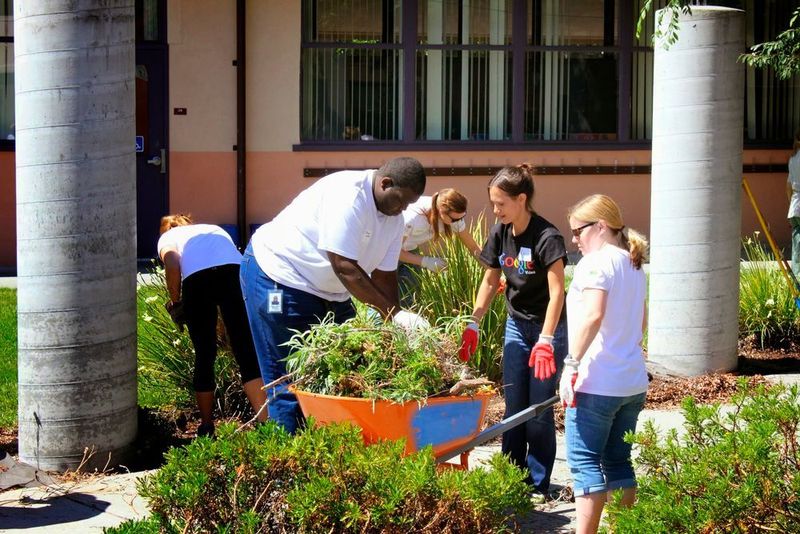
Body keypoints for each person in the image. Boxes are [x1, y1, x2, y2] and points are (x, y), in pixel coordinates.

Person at [241, 156, 427, 433]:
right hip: (279, 277)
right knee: (287, 378)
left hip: (331, 291)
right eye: (401, 200)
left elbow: (385, 275)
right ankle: (288, 466)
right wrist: (396, 314)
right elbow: (344, 266)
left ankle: (334, 459)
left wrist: (395, 326)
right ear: (385, 183)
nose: (404, 209)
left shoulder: (393, 219)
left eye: (411, 203)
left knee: (346, 372)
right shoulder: (348, 195)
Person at [458, 164, 568, 502]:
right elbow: (491, 279)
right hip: (516, 325)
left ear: (521, 199)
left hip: (547, 329)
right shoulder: (500, 232)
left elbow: (558, 292)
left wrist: (547, 340)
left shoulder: (547, 237)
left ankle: (538, 483)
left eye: (501, 203)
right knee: (514, 405)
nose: (496, 210)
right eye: (492, 203)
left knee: (538, 407)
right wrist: (474, 320)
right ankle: (511, 475)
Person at [561, 194, 649, 534]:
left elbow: (593, 315)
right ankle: (623, 530)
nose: (574, 239)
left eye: (578, 231)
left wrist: (571, 364)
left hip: (596, 383)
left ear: (600, 227)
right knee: (618, 462)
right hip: (631, 383)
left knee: (584, 465)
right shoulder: (633, 263)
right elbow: (641, 322)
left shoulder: (595, 263)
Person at [158, 214, 268, 437]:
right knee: (246, 351)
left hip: (198, 283)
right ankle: (266, 423)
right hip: (234, 274)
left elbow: (171, 262)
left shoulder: (168, 237)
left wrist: (176, 300)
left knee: (205, 353)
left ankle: (207, 425)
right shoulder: (212, 228)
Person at [398, 188, 484, 302]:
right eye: (454, 219)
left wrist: (492, 269)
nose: (458, 222)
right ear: (441, 210)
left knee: (410, 298)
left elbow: (473, 247)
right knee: (382, 295)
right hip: (386, 252)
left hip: (410, 250)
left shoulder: (455, 218)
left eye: (462, 217)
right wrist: (426, 262)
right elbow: (394, 252)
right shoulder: (412, 218)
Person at [787, 130, 800, 274]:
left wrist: (791, 204)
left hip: (795, 204)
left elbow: (788, 187)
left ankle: (796, 281)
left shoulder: (792, 158)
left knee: (797, 246)